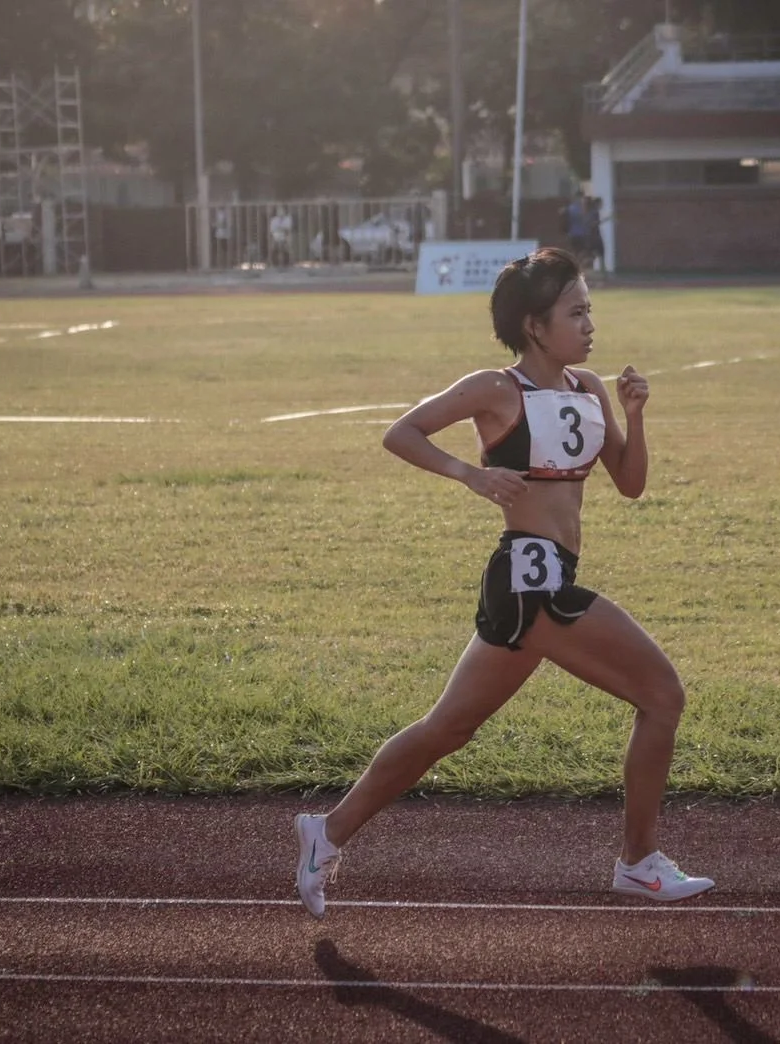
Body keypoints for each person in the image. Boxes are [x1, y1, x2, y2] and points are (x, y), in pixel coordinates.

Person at [294, 247, 714, 919]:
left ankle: (327, 832)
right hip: (529, 579)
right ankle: (638, 862)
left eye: (590, 309)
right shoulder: (496, 390)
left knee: (445, 730)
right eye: (574, 312)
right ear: (534, 327)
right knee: (662, 695)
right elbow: (401, 434)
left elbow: (630, 485)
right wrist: (473, 474)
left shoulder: (589, 390)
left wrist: (636, 416)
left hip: (543, 580)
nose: (589, 324)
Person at [563, 190, 590, 260]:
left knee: (576, 251)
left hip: (574, 233)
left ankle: (576, 264)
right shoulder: (579, 208)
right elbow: (584, 219)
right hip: (579, 233)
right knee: (581, 251)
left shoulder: (570, 208)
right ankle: (577, 264)